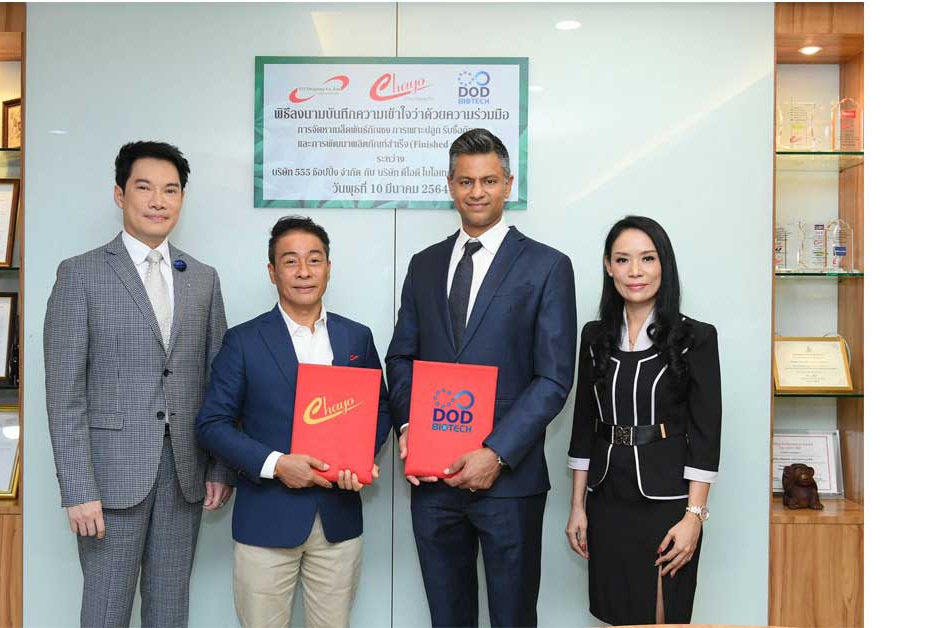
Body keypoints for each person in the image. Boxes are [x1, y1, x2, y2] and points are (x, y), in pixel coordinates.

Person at [386, 128, 578, 627]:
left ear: (508, 185)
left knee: (513, 618)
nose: (477, 192)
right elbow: (401, 358)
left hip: (509, 483)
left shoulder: (547, 266)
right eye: (466, 181)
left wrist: (495, 453)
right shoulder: (423, 265)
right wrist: (410, 427)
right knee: (447, 617)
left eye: (489, 180)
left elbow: (554, 379)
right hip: (433, 483)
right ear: (450, 185)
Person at [44, 140, 235, 628]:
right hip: (109, 482)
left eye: (170, 190)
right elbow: (64, 396)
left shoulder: (203, 278)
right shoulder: (80, 274)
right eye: (144, 188)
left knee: (170, 612)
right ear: (120, 194)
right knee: (105, 612)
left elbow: (218, 382)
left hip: (184, 475)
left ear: (182, 199)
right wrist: (78, 489)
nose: (157, 201)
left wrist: (219, 467)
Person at [195, 216, 391, 628]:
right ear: (272, 271)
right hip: (266, 520)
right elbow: (212, 423)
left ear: (328, 268)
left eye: (314, 260)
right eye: (290, 261)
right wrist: (276, 464)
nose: (304, 271)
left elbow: (381, 407)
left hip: (338, 521)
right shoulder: (243, 341)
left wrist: (359, 458)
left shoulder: (356, 337)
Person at [565, 215, 721, 625]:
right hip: (606, 501)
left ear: (664, 265)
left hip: (667, 504)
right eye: (623, 260)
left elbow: (706, 435)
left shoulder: (695, 338)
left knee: (660, 617)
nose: (635, 271)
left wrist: (694, 517)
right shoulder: (594, 336)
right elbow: (583, 426)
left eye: (647, 259)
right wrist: (577, 506)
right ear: (608, 267)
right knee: (615, 614)